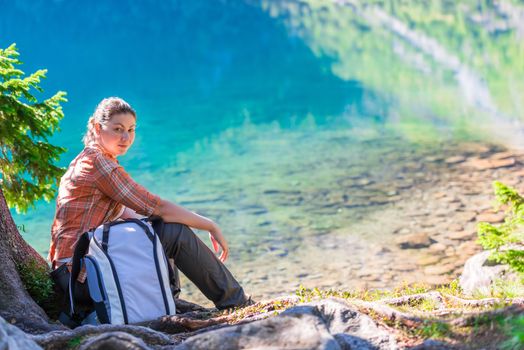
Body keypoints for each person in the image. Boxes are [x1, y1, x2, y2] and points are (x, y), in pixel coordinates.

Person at [49, 97, 251, 312]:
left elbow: (141, 214)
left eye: (131, 129)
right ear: (98, 128)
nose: (125, 137)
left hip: (79, 272)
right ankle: (237, 302)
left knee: (157, 227)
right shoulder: (98, 164)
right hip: (81, 278)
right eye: (117, 129)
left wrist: (163, 222)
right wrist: (210, 225)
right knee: (172, 231)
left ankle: (168, 302)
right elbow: (158, 207)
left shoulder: (90, 159)